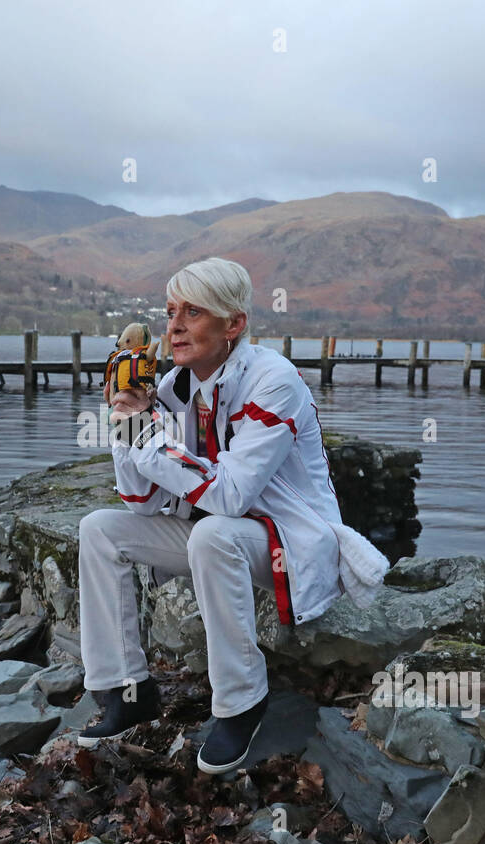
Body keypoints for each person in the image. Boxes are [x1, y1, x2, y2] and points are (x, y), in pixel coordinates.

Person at [77, 257, 351, 774]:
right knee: (99, 530)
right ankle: (128, 689)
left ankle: (241, 701)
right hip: (229, 537)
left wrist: (151, 437)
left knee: (213, 535)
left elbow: (227, 496)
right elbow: (141, 500)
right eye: (171, 311)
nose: (174, 326)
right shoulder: (173, 387)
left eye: (193, 312)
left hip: (293, 542)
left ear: (234, 324)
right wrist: (128, 413)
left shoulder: (275, 382)